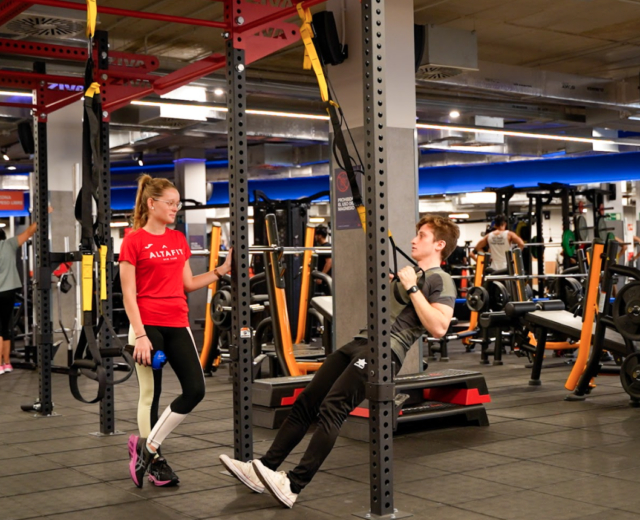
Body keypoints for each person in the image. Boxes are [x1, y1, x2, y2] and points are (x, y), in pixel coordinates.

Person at [219, 215, 458, 508]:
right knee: (307, 401)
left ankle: (293, 485)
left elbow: (439, 327)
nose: (413, 239)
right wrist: (400, 285)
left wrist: (411, 288)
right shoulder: (415, 275)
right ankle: (265, 468)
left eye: (422, 236)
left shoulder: (441, 279)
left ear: (439, 244)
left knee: (333, 408)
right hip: (362, 341)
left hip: (385, 351)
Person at [121, 175, 233, 489]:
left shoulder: (177, 239)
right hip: (147, 325)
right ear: (151, 203)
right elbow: (128, 295)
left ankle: (147, 447)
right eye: (170, 203)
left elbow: (188, 284)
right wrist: (140, 335)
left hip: (177, 322)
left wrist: (221, 271)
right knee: (150, 393)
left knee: (195, 390)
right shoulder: (133, 241)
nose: (175, 208)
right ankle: (156, 462)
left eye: (177, 204)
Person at [0, 215, 45, 373]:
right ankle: (6, 363)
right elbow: (29, 232)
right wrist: (44, 214)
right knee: (5, 328)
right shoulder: (9, 244)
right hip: (10, 291)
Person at [314, 225, 332, 295]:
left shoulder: (326, 247)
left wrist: (321, 277)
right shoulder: (322, 247)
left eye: (316, 235)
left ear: (320, 236)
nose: (315, 237)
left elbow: (329, 262)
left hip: (325, 281)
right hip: (324, 280)